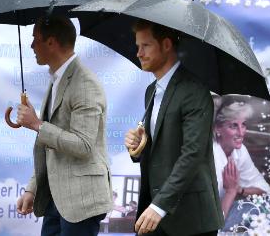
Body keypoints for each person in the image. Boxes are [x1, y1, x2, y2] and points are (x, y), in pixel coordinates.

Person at [124, 19, 224, 236]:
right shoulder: (151, 90)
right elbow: (160, 149)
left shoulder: (194, 91)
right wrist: (138, 147)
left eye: (146, 46)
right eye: (137, 46)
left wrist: (159, 206)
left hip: (190, 220)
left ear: (167, 45)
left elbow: (193, 154)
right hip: (154, 213)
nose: (138, 53)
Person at [15, 15, 113, 236]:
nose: (31, 46)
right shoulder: (57, 79)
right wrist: (33, 188)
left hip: (81, 202)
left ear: (51, 42)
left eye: (36, 39)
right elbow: (50, 147)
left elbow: (83, 145)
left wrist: (37, 125)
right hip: (54, 199)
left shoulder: (85, 84)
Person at [212, 98, 270, 230]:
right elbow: (214, 226)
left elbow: (265, 191)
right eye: (233, 125)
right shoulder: (211, 156)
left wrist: (240, 190)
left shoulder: (239, 151)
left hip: (225, 212)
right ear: (218, 129)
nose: (241, 132)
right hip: (207, 223)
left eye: (243, 124)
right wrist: (231, 191)